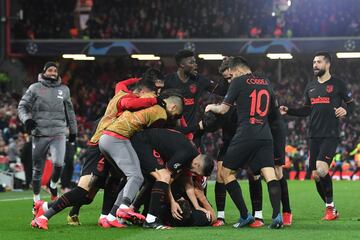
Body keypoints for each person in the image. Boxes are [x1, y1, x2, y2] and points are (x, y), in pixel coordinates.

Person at [31, 74, 164, 230]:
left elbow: (121, 82)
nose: (157, 94)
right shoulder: (126, 98)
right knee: (84, 192)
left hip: (109, 142)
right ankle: (44, 213)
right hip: (99, 144)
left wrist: (136, 79)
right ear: (140, 91)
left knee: (112, 182)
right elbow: (129, 103)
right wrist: (154, 101)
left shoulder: (120, 90)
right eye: (155, 91)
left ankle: (108, 216)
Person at [205, 56, 283, 229]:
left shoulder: (238, 82)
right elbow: (273, 109)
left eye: (229, 76)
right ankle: (277, 216)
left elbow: (224, 109)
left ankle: (245, 215)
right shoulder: (265, 81)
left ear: (236, 69)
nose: (229, 80)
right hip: (265, 135)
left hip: (245, 134)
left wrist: (211, 107)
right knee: (270, 174)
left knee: (226, 173)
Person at [279, 52, 355, 221]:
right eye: (313, 62)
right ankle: (332, 208)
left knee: (321, 169)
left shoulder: (338, 84)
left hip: (331, 134)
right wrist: (289, 110)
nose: (315, 65)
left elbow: (353, 105)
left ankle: (329, 208)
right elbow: (307, 110)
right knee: (315, 174)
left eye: (318, 62)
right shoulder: (310, 86)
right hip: (313, 136)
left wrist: (346, 110)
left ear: (327, 65)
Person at [98, 93, 184, 227]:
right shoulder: (161, 114)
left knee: (130, 179)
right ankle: (124, 208)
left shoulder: (148, 99)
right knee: (136, 177)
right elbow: (149, 137)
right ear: (173, 107)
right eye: (176, 115)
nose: (173, 118)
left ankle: (111, 217)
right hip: (119, 138)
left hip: (105, 137)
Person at [130, 128, 214, 229]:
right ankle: (150, 220)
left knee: (154, 180)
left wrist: (197, 207)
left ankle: (132, 209)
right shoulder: (185, 154)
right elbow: (167, 178)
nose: (194, 174)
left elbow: (188, 184)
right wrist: (173, 202)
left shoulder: (191, 157)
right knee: (163, 177)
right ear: (197, 164)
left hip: (147, 143)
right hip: (142, 142)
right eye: (196, 172)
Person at [18, 62, 77, 203]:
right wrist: (27, 120)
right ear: (44, 72)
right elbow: (22, 107)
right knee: (38, 169)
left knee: (58, 164)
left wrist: (73, 130)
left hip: (58, 132)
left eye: (55, 71)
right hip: (40, 132)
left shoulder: (64, 89)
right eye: (50, 70)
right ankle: (36, 200)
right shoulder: (35, 88)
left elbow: (70, 112)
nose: (53, 73)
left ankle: (53, 185)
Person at [163, 49, 227, 146]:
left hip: (194, 132)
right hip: (174, 131)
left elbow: (221, 91)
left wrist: (225, 75)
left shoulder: (199, 80)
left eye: (195, 62)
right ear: (181, 65)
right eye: (191, 62)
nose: (195, 65)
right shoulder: (168, 81)